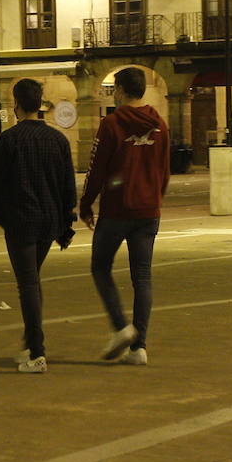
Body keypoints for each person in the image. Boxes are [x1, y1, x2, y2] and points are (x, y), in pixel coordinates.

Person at [0, 78, 77, 374]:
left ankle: (37, 353)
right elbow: (68, 186)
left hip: (22, 221)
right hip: (49, 222)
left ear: (16, 104)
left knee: (27, 283)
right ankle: (30, 343)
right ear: (40, 103)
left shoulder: (10, 139)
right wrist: (66, 221)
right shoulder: (58, 140)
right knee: (32, 279)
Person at [80, 67, 170, 366]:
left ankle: (121, 326)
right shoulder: (159, 124)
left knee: (100, 267)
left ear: (119, 89)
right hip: (148, 210)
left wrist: (86, 202)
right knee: (142, 276)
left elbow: (97, 168)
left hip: (117, 210)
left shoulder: (112, 123)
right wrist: (155, 197)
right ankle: (139, 347)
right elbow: (165, 170)